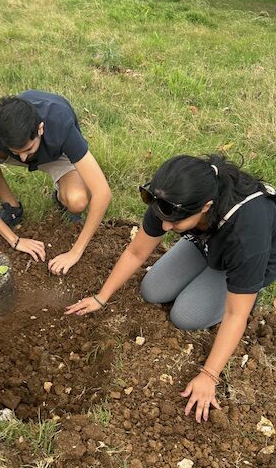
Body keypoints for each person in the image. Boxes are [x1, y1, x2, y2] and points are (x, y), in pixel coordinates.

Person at [66, 154, 276, 422]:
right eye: (164, 218)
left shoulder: (247, 231)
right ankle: (205, 258)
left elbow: (236, 314)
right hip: (206, 241)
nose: (165, 226)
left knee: (184, 316)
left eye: (175, 222)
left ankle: (244, 288)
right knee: (152, 290)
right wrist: (101, 297)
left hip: (247, 260)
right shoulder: (168, 199)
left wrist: (209, 375)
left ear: (206, 206)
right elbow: (136, 252)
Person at [0, 91, 112, 275]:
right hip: (18, 145)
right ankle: (12, 206)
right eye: (17, 152)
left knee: (77, 201)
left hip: (57, 153)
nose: (23, 158)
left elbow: (103, 193)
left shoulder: (61, 123)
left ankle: (60, 195)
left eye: (28, 149)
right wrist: (14, 240)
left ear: (40, 129)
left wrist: (75, 252)